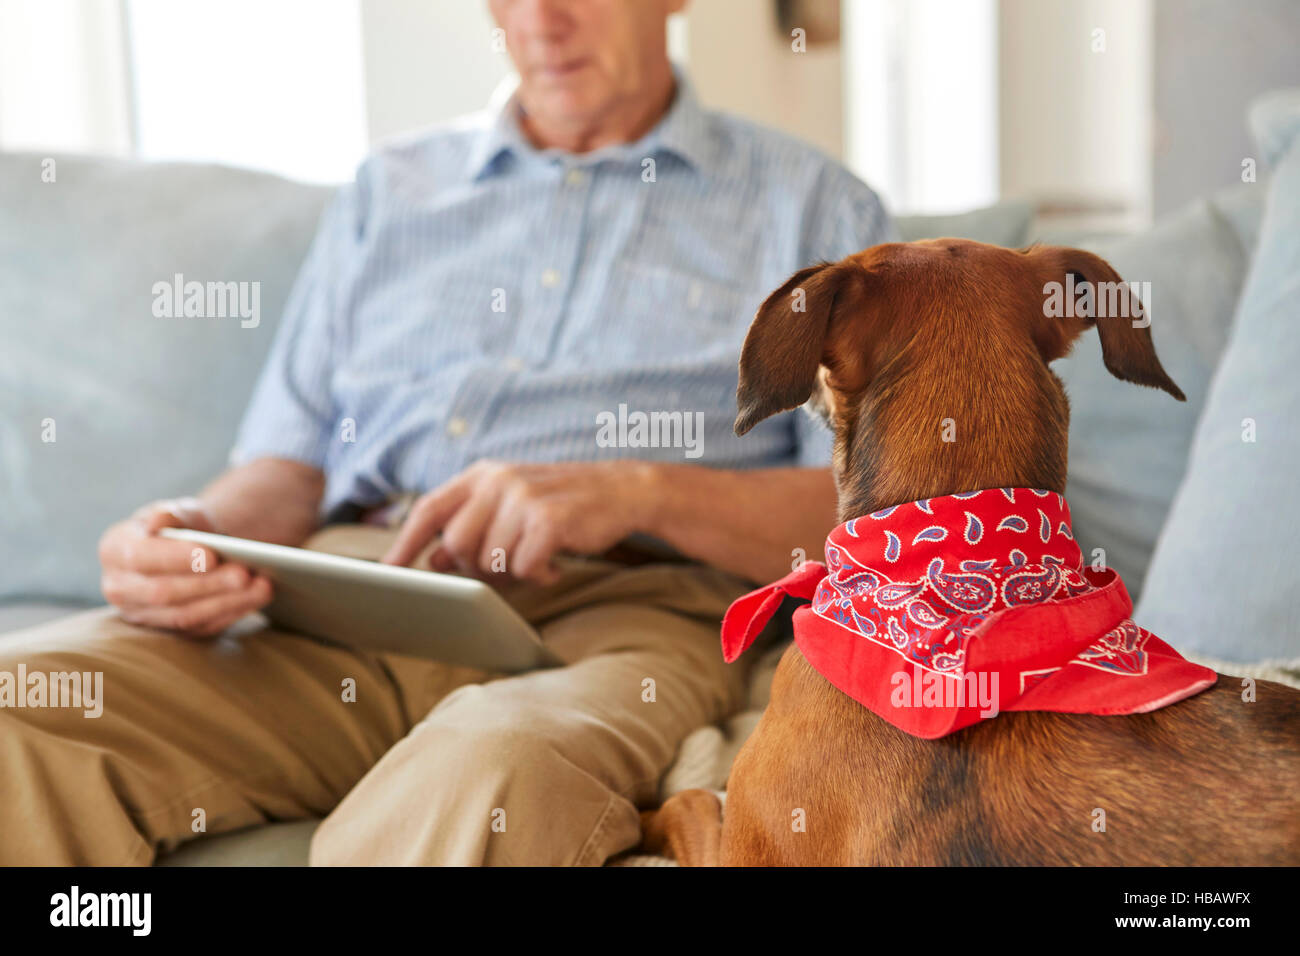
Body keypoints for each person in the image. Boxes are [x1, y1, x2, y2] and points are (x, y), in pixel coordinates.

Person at [0, 0, 891, 865]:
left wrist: (632, 491)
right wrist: (188, 531)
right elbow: (289, 462)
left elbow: (868, 523)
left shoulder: (817, 210)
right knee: (20, 704)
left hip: (620, 612)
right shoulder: (388, 194)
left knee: (489, 778)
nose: (542, 21)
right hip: (351, 593)